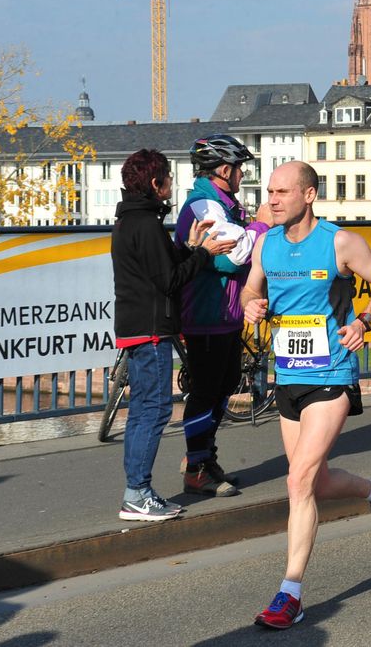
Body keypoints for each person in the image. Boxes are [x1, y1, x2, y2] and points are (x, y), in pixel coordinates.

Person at [241, 161, 371, 629]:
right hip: (288, 373)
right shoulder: (266, 243)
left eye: (282, 192)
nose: (272, 199)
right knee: (314, 481)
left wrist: (364, 320)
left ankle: (290, 592)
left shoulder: (339, 242)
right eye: (269, 191)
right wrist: (252, 303)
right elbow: (252, 287)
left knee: (297, 482)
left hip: (332, 372)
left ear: (309, 195)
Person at [111, 149, 235, 521]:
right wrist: (203, 254)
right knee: (154, 410)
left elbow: (162, 268)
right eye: (167, 177)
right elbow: (169, 281)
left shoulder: (134, 221)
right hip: (150, 330)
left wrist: (189, 248)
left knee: (144, 411)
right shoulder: (146, 225)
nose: (171, 183)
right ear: (155, 183)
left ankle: (138, 491)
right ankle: (137, 494)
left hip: (139, 327)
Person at [175, 134, 274, 497]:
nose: (243, 175)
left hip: (225, 313)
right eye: (240, 169)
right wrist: (261, 226)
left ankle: (204, 457)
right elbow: (233, 253)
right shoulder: (204, 205)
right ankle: (196, 466)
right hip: (204, 311)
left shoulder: (224, 203)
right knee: (205, 392)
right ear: (225, 169)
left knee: (225, 383)